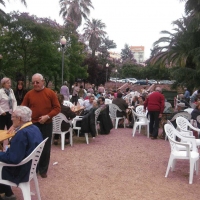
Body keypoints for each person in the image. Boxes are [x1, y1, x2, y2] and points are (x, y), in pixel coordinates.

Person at [21, 73, 60, 178]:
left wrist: (47, 116)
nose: (35, 84)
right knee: (32, 146)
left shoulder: (50, 93)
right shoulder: (29, 94)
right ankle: (34, 168)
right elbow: (23, 108)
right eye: (33, 82)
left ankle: (43, 169)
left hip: (46, 123)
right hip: (33, 124)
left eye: (37, 82)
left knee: (46, 147)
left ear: (43, 81)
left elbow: (57, 108)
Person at [0, 106, 43, 200]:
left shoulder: (22, 134)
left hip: (21, 170)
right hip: (30, 167)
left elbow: (13, 159)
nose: (11, 118)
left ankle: (7, 192)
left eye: (13, 116)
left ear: (19, 119)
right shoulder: (34, 128)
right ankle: (8, 193)